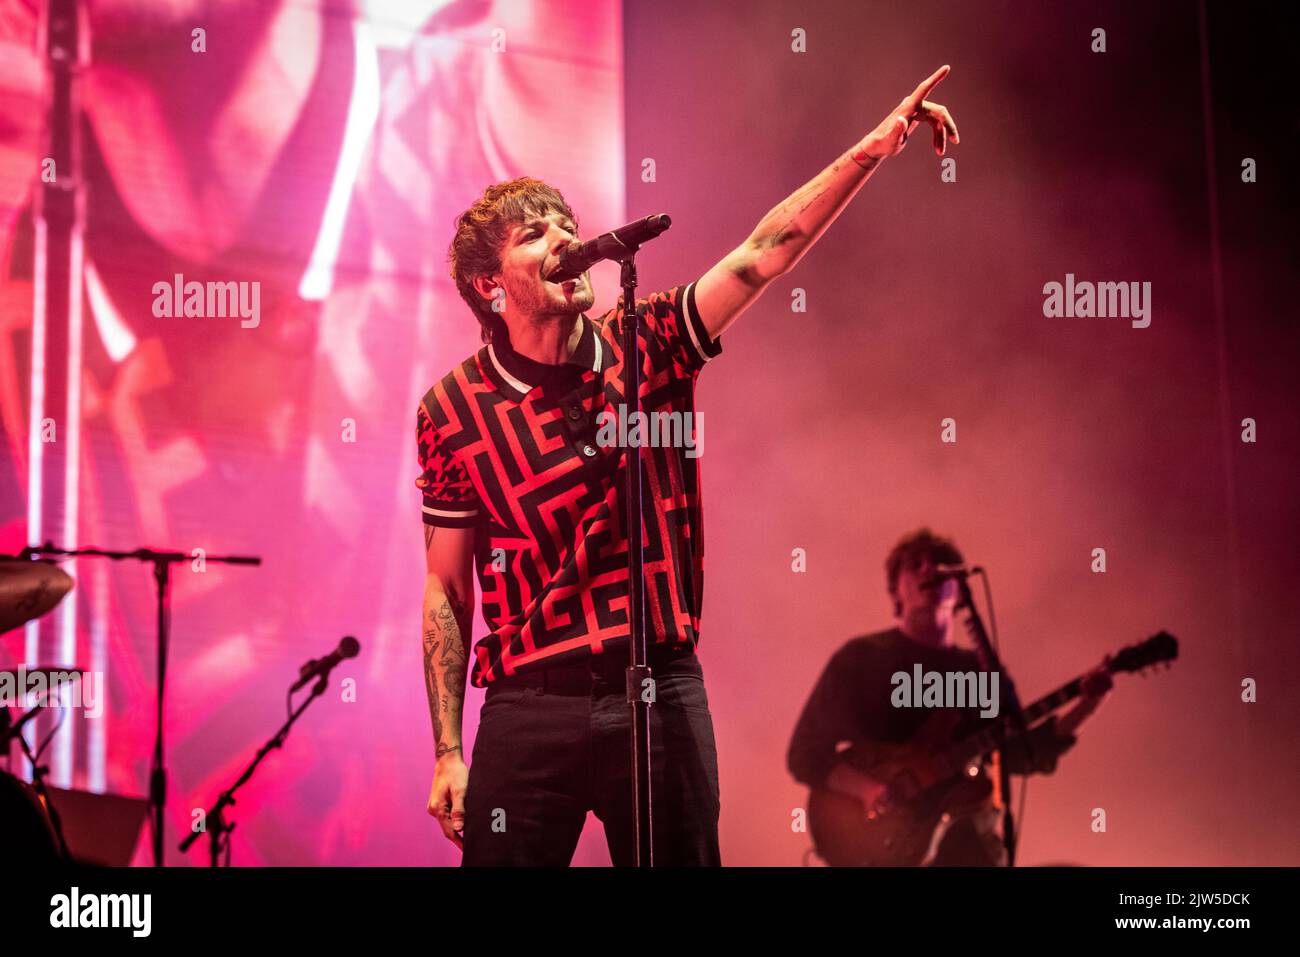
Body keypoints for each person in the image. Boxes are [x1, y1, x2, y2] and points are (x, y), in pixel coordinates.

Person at [419, 68, 964, 865]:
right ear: (489, 284)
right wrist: (446, 748)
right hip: (529, 701)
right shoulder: (450, 411)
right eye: (535, 233)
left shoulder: (647, 340)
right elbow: (446, 584)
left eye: (566, 222)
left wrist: (873, 148)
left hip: (657, 685)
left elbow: (762, 253)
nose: (565, 238)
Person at [787, 528, 1113, 865]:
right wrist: (868, 790)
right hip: (878, 843)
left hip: (964, 846)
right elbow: (805, 753)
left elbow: (1021, 753)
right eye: (915, 564)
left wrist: (1087, 704)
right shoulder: (862, 658)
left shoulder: (979, 669)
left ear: (959, 588)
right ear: (895, 589)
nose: (930, 569)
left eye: (941, 564)